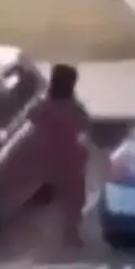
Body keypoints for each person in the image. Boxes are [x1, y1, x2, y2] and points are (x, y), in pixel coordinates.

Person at [30, 64, 90, 249]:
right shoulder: (74, 108)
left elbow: (34, 122)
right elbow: (83, 128)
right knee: (74, 199)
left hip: (47, 160)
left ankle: (49, 233)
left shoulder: (43, 107)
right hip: (70, 161)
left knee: (53, 198)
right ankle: (69, 233)